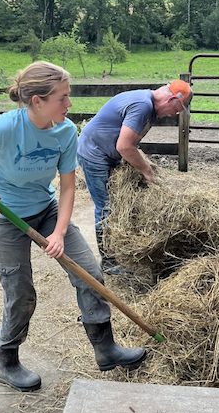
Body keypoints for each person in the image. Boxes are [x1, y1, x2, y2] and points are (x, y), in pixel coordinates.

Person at [0, 61, 145, 392]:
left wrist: (58, 232)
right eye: (62, 97)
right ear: (37, 101)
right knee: (20, 293)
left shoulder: (64, 132)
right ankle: (8, 361)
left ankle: (105, 349)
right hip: (6, 218)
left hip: (46, 211)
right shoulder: (4, 127)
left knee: (89, 273)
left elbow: (68, 186)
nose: (69, 104)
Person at [77, 80, 192, 274]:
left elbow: (129, 142)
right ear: (172, 99)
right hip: (94, 154)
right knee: (106, 206)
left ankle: (116, 251)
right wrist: (146, 170)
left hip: (106, 152)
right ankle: (108, 261)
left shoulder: (148, 105)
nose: (174, 114)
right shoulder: (143, 106)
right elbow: (124, 146)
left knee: (113, 203)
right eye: (177, 109)